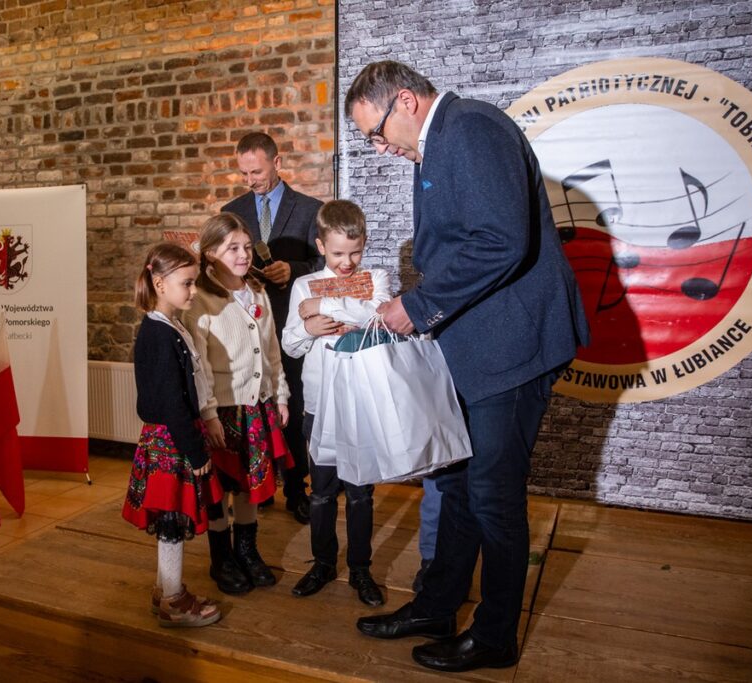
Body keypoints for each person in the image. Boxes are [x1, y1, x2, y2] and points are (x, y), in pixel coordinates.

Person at [345, 61, 590, 672]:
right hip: (478, 343)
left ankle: (495, 636)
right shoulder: (438, 142)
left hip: (512, 344)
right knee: (456, 480)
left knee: (492, 495)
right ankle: (437, 606)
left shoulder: (471, 128)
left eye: (375, 132)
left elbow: (501, 241)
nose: (378, 148)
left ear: (405, 101)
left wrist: (417, 306)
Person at [281, 199, 392, 607]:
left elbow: (380, 319)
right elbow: (290, 345)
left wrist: (326, 305)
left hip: (361, 401)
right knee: (322, 492)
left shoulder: (375, 278)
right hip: (319, 405)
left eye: (355, 252)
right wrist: (308, 327)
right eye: (338, 253)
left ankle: (360, 569)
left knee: (361, 493)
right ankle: (323, 563)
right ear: (321, 246)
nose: (347, 263)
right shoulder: (303, 286)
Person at [183, 212, 293, 595]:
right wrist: (208, 413)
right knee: (221, 487)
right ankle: (221, 557)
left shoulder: (258, 291)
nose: (244, 255)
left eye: (247, 247)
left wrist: (280, 395)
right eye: (233, 248)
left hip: (256, 405)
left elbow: (272, 350)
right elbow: (199, 367)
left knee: (249, 483)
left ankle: (247, 550)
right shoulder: (200, 301)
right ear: (210, 253)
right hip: (221, 411)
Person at [222, 132, 323, 524]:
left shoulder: (311, 209)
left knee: (291, 408)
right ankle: (258, 486)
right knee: (252, 408)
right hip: (243, 326)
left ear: (277, 163)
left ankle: (297, 490)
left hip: (291, 325)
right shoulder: (231, 211)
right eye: (244, 173)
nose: (250, 180)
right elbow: (219, 262)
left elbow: (323, 265)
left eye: (257, 172)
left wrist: (292, 270)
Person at [122, 242, 222, 628]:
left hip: (174, 436)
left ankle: (165, 590)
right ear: (160, 284)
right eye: (187, 283)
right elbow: (171, 401)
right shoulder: (158, 334)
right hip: (171, 440)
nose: (193, 291)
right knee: (172, 521)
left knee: (172, 520)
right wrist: (195, 452)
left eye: (195, 282)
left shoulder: (171, 326)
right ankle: (173, 599)